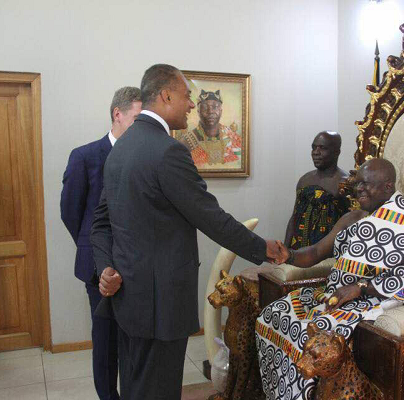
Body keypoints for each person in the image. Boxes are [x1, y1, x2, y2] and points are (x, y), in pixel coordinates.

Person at [90, 64, 284, 400]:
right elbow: (209, 216)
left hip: (128, 299)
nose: (192, 105)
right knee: (160, 389)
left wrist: (104, 264)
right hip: (160, 303)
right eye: (187, 96)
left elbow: (101, 224)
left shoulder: (119, 147)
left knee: (136, 384)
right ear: (166, 95)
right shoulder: (168, 151)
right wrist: (261, 247)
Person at [256, 158, 404, 400]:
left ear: (388, 187)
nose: (359, 189)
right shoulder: (352, 218)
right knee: (274, 312)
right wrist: (288, 255)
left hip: (371, 302)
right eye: (358, 184)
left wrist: (363, 287)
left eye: (367, 185)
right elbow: (315, 252)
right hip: (332, 296)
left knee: (310, 335)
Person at [60, 86, 142, 400]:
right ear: (117, 114)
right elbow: (71, 212)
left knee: (134, 342)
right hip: (99, 269)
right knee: (106, 343)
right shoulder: (85, 156)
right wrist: (95, 250)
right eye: (136, 118)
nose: (141, 127)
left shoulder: (144, 157)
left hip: (136, 267)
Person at [284, 131, 350, 249]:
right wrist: (285, 249)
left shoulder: (345, 183)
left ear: (336, 152)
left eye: (322, 148)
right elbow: (294, 217)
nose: (316, 152)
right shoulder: (305, 180)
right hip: (298, 252)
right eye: (313, 148)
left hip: (329, 254)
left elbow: (350, 222)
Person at [178, 89, 241, 166]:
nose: (210, 111)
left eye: (215, 107)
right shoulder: (187, 141)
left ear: (221, 111)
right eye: (205, 107)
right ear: (198, 112)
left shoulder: (233, 138)